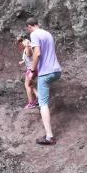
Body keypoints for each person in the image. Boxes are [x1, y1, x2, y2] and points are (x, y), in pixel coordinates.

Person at [25, 17, 62, 146]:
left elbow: (37, 54)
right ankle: (38, 95)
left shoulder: (34, 34)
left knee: (43, 104)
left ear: (29, 27)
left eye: (28, 29)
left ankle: (49, 137)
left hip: (45, 73)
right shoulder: (47, 33)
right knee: (43, 97)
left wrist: (31, 70)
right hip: (56, 70)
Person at [17, 35, 38, 110]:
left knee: (27, 85)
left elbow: (29, 54)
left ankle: (31, 103)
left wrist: (27, 46)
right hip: (35, 69)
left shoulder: (27, 48)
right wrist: (22, 61)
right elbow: (29, 57)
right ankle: (37, 99)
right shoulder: (29, 48)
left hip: (31, 70)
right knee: (31, 85)